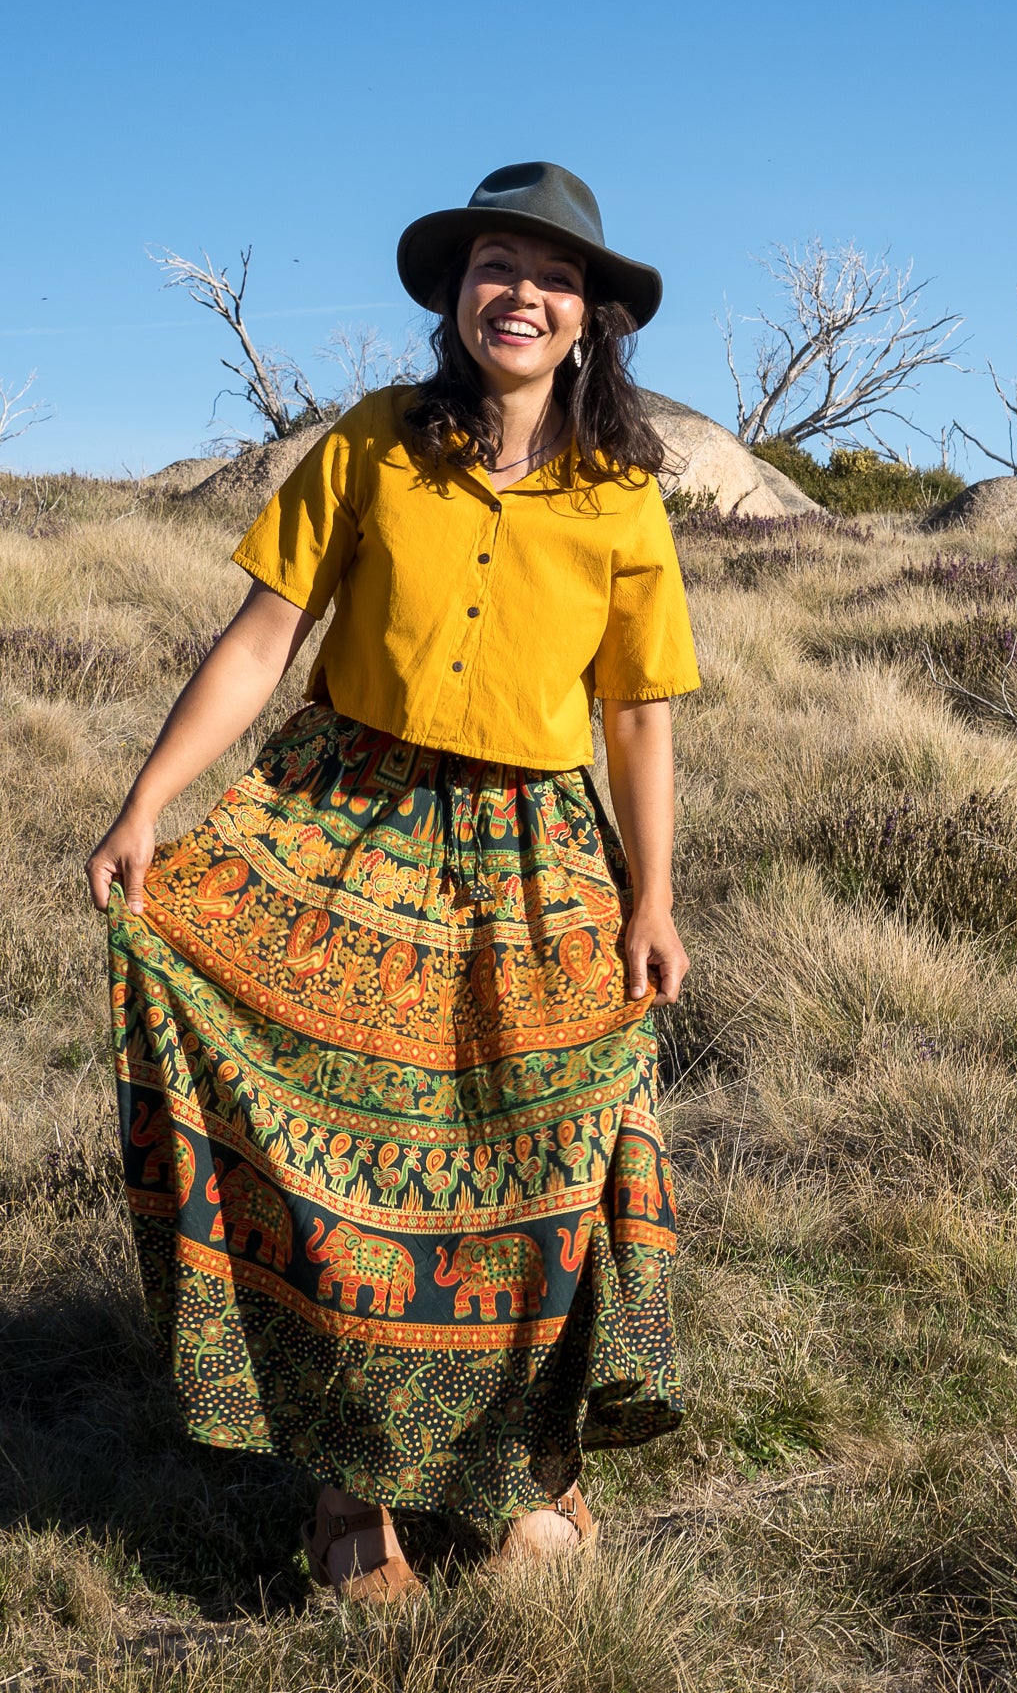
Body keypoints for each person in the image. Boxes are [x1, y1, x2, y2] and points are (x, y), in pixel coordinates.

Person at [87, 162, 700, 1600]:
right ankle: (352, 1496)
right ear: (456, 293)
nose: (523, 295)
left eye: (554, 278)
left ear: (592, 317)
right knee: (335, 1140)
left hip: (536, 858)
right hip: (343, 819)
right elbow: (263, 640)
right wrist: (146, 805)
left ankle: (527, 1473)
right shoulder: (372, 446)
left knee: (540, 1155)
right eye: (499, 264)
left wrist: (654, 898)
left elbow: (637, 716)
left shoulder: (621, 494)